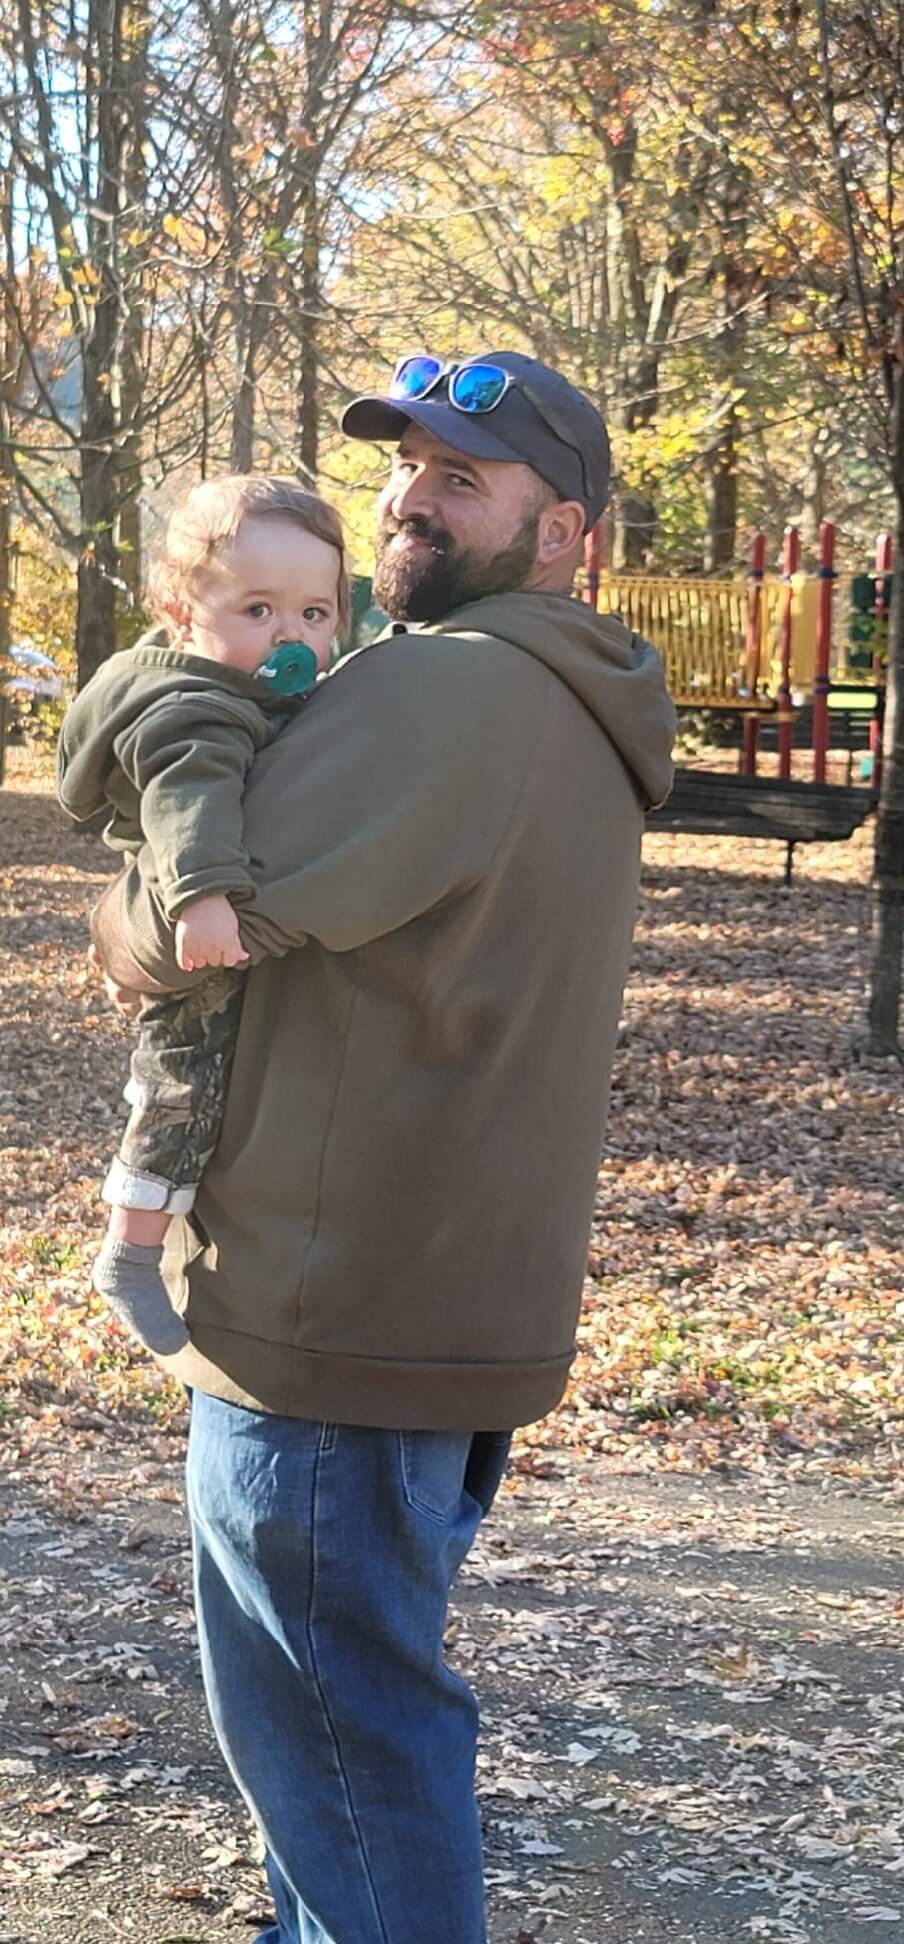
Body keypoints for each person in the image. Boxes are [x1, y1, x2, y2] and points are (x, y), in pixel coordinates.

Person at [88, 350, 676, 1944]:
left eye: (463, 478)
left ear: (566, 533)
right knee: (343, 1755)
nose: (410, 499)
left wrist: (114, 903)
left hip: (332, 1320)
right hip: (446, 1304)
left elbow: (184, 929)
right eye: (406, 467)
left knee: (344, 1754)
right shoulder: (574, 697)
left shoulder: (451, 688)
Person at [58, 474, 346, 1354]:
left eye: (315, 614)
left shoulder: (211, 681)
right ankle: (131, 1254)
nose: (290, 635)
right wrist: (204, 898)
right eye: (258, 610)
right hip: (198, 925)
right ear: (183, 613)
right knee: (180, 1090)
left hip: (189, 916)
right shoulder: (199, 709)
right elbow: (193, 801)